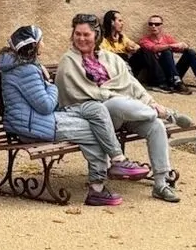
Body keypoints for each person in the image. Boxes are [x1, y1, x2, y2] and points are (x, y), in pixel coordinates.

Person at [57, 13, 184, 203]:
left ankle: (160, 183)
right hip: (95, 118)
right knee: (115, 103)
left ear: (96, 35)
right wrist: (113, 95)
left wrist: (151, 102)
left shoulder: (110, 58)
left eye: (86, 34)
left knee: (156, 126)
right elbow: (76, 95)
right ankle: (164, 114)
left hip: (125, 112)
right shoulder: (68, 61)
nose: (81, 39)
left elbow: (131, 84)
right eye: (78, 34)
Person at [0, 25, 126, 207]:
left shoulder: (24, 66)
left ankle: (118, 160)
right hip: (32, 127)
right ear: (33, 46)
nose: (44, 43)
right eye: (41, 40)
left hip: (41, 120)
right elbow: (45, 106)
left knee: (96, 109)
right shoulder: (25, 70)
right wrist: (52, 84)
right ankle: (97, 189)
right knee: (93, 131)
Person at [136, 15, 196, 92]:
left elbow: (178, 47)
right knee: (166, 51)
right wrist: (170, 46)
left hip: (172, 73)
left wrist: (184, 46)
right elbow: (154, 48)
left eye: (157, 24)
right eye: (151, 24)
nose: (153, 26)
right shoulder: (144, 40)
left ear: (162, 26)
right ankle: (176, 82)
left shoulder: (167, 38)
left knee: (190, 52)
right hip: (158, 75)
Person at [97, 11, 159, 88]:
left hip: (128, 65)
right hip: (115, 68)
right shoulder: (102, 38)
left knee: (144, 51)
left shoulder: (122, 36)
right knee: (120, 56)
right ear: (112, 22)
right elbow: (105, 55)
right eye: (119, 21)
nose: (122, 23)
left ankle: (158, 81)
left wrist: (133, 48)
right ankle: (129, 83)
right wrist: (122, 53)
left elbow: (136, 46)